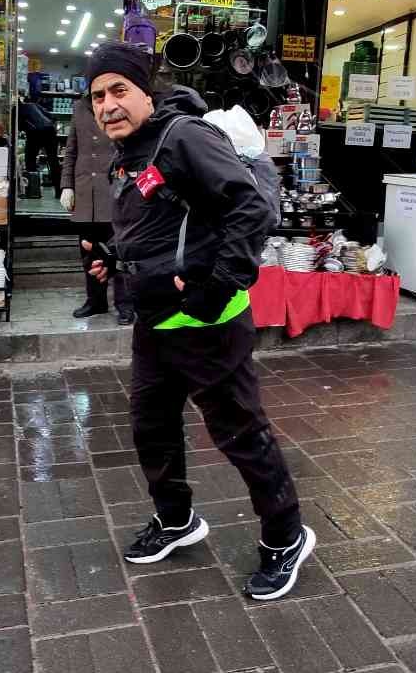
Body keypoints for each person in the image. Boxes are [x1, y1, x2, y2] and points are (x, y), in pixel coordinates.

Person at [82, 42, 311, 600]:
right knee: (152, 428)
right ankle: (176, 520)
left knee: (239, 434)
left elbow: (251, 209)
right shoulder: (131, 151)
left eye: (119, 90)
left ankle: (286, 536)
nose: (108, 104)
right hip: (156, 322)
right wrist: (117, 260)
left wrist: (215, 287)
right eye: (96, 96)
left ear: (144, 92)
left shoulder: (183, 136)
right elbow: (164, 223)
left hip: (209, 322)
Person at [61, 95, 134, 324]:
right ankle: (96, 301)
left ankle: (125, 305)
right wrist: (67, 185)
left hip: (114, 189)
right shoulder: (79, 107)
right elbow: (71, 149)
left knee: (119, 252)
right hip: (85, 194)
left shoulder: (119, 106)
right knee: (89, 253)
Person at [18, 99, 60, 197]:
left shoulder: (17, 111)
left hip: (34, 133)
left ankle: (32, 190)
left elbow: (19, 127)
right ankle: (59, 191)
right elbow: (52, 117)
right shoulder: (32, 104)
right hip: (50, 130)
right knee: (53, 161)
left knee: (30, 160)